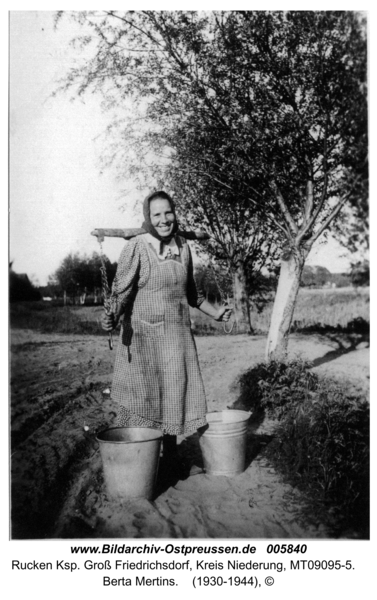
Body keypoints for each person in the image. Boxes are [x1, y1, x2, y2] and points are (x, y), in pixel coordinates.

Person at [102, 191, 232, 468]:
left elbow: (192, 294)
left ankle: (170, 463)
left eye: (168, 212)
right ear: (148, 218)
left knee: (173, 398)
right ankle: (139, 464)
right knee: (143, 402)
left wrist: (217, 313)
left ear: (175, 213)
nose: (164, 220)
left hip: (176, 340)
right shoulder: (137, 246)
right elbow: (121, 293)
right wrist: (111, 317)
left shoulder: (184, 246)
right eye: (156, 214)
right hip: (142, 341)